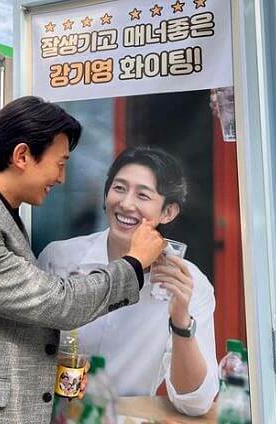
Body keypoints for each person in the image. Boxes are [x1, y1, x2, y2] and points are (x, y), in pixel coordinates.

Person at [0, 97, 166, 424]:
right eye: (60, 163)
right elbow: (57, 303)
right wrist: (134, 264)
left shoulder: (3, 216)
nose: (61, 178)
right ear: (22, 155)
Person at [39, 147, 219, 416]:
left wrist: (181, 321)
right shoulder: (60, 259)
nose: (125, 203)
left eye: (143, 195)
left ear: (168, 212)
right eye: (119, 188)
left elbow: (195, 403)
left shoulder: (189, 283)